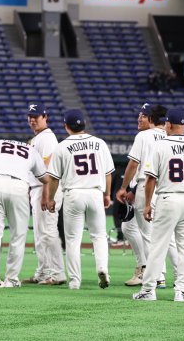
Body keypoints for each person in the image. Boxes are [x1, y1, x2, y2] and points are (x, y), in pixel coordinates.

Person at [132, 109, 184, 302]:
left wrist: (148, 204)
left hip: (168, 198)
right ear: (183, 125)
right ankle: (181, 292)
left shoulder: (160, 146)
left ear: (168, 125)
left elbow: (150, 178)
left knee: (158, 246)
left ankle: (149, 290)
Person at [46, 110, 114, 290]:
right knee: (99, 236)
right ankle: (102, 268)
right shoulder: (99, 143)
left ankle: (75, 281)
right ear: (84, 124)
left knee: (73, 240)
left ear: (66, 126)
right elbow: (108, 174)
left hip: (73, 193)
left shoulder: (61, 146)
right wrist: (107, 195)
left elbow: (53, 178)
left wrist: (51, 199)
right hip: (94, 192)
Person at [116, 103, 178, 288]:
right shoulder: (170, 136)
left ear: (151, 118)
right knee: (168, 236)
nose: (140, 118)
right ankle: (182, 275)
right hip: (167, 187)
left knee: (149, 235)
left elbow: (134, 165)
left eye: (144, 115)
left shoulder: (144, 136)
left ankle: (157, 276)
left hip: (147, 187)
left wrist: (124, 187)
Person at [0, 138, 46, 288]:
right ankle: (11, 279)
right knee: (18, 235)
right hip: (19, 185)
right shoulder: (31, 150)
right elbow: (44, 178)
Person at [25, 102, 66, 285]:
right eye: (31, 117)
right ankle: (43, 271)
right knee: (41, 234)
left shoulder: (47, 138)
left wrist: (45, 194)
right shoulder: (38, 138)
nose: (33, 120)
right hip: (38, 189)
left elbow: (49, 170)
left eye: (37, 117)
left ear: (45, 117)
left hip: (45, 189)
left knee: (48, 232)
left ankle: (57, 273)